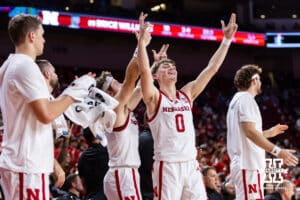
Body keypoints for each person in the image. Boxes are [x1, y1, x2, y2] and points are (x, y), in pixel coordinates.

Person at [137, 12, 238, 199]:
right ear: (156, 76)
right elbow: (144, 72)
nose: (171, 68)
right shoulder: (154, 98)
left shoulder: (187, 94)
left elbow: (211, 69)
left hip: (191, 165)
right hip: (167, 166)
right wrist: (141, 44)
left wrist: (226, 41)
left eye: (173, 66)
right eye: (165, 67)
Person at [0, 14, 95, 199]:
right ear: (32, 36)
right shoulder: (26, 66)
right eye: (42, 34)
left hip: (24, 163)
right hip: (26, 166)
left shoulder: (9, 65)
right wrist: (76, 90)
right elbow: (46, 114)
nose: (44, 40)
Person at [226, 64, 299, 199]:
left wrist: (269, 133)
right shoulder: (245, 99)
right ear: (254, 80)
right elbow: (249, 132)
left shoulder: (237, 100)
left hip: (247, 165)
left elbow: (247, 134)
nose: (260, 83)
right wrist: (278, 151)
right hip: (247, 165)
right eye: (259, 79)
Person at [77, 128, 109, 200]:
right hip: (108, 196)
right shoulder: (108, 152)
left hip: (91, 196)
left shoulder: (82, 158)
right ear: (97, 135)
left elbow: (83, 182)